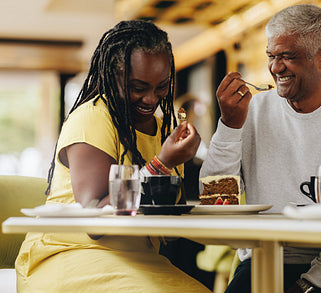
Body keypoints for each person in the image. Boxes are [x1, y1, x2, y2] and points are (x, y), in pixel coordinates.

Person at [200, 4, 321, 293]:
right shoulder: (250, 111)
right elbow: (214, 200)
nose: (275, 68)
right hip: (264, 258)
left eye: (287, 57)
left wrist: (304, 286)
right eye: (271, 56)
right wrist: (228, 126)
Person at [15, 20, 211, 293]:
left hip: (136, 260)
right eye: (137, 87)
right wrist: (162, 164)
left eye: (161, 86)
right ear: (112, 76)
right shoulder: (93, 117)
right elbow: (97, 219)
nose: (151, 98)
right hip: (70, 255)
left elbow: (168, 228)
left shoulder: (163, 130)